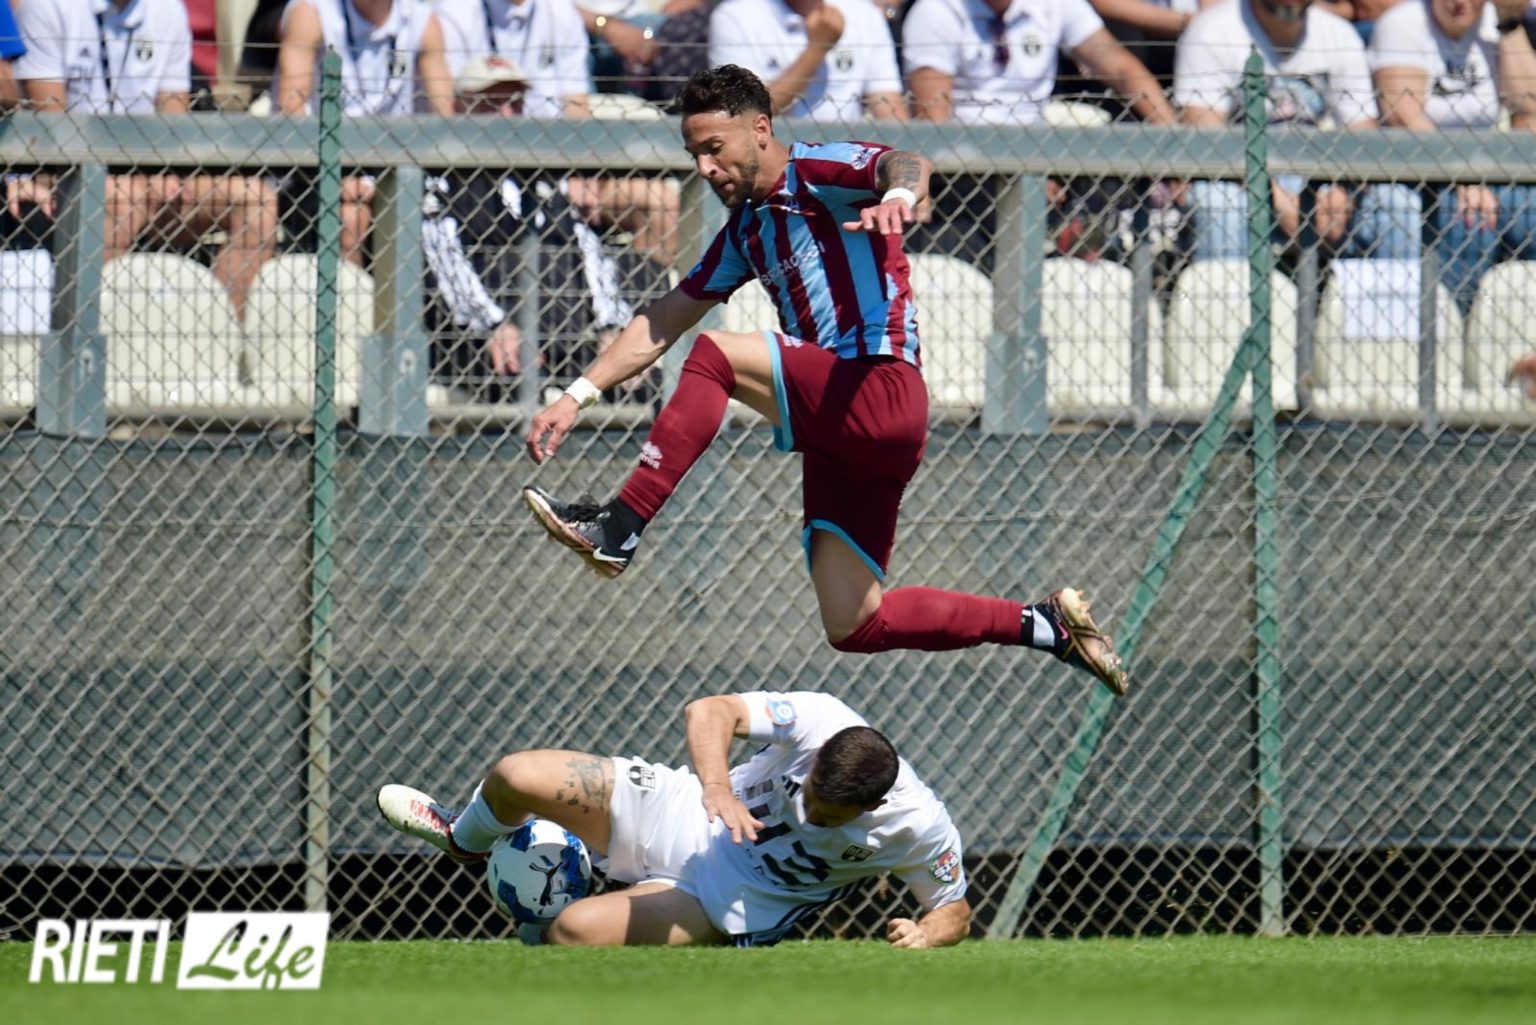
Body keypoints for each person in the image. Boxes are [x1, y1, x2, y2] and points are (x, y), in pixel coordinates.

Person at [520, 65, 1129, 696]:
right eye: (693, 153)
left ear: (760, 129)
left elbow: (905, 163)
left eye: (714, 148)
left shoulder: (816, 172)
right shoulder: (748, 231)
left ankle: (620, 526)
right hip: (843, 429)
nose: (704, 167)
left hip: (879, 389)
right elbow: (665, 315)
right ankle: (1045, 625)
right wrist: (576, 395)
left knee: (715, 356)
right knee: (855, 622)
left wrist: (898, 197)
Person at [378, 690, 974, 947]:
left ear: (870, 807)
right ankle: (465, 840)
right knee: (515, 775)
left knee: (571, 933)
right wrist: (717, 787)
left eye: (826, 815)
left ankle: (543, 920)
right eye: (809, 792)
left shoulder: (917, 826)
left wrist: (926, 934)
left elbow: (954, 908)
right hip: (682, 806)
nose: (807, 811)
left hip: (725, 898)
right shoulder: (823, 719)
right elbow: (709, 711)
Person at [12, 0, 278, 320]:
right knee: (120, 199)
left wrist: (165, 170)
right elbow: (53, 127)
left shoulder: (167, 9)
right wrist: (132, 177)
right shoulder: (46, 7)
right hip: (71, 175)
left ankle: (220, 332)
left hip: (149, 172)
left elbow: (173, 115)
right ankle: (83, 334)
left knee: (256, 202)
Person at [901, 0, 1176, 267]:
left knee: (1108, 166)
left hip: (1039, 157)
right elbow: (936, 128)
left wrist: (1175, 141)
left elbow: (1120, 67)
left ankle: (1085, 247)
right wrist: (1017, 174)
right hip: (965, 172)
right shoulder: (935, 11)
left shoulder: (1055, 5)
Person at [1360, 0, 1536, 310]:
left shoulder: (1494, 25)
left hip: (1489, 173)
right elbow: (1402, 116)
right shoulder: (1404, 22)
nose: (1460, 2)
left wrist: (1509, 25)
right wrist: (1460, 174)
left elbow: (1529, 108)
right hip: (1417, 171)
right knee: (1466, 219)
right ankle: (1452, 322)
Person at [1175, 0, 1379, 259]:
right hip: (1242, 179)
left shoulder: (1339, 34)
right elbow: (1208, 144)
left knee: (1395, 201)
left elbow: (1363, 137)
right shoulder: (1212, 31)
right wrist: (1281, 203)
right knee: (1219, 202)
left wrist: (1342, 194)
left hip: (1324, 176)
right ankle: (1230, 287)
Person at [274, 0, 455, 264]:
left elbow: (444, 117)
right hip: (318, 165)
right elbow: (292, 109)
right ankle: (349, 292)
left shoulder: (423, 20)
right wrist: (332, 175)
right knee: (351, 216)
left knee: (426, 204)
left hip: (398, 165)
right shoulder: (311, 12)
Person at [708, 0, 907, 122]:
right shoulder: (734, 17)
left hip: (849, 161)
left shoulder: (864, 13)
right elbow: (746, 112)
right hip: (777, 160)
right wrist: (816, 49)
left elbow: (886, 103)